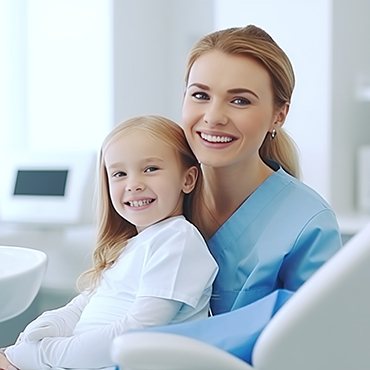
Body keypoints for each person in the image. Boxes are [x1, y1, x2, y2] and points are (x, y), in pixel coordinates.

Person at [0, 115, 218, 370]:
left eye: (150, 169)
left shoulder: (178, 241)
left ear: (188, 179)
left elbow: (137, 334)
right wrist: (38, 334)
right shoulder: (133, 244)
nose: (133, 184)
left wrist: (39, 354)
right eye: (119, 173)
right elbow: (82, 305)